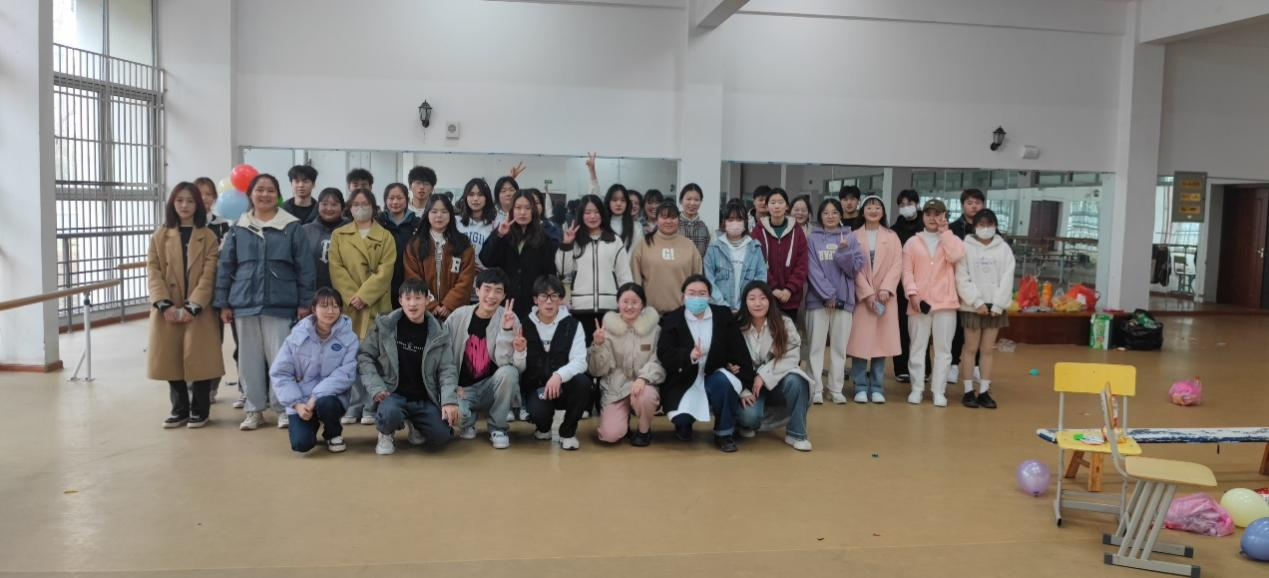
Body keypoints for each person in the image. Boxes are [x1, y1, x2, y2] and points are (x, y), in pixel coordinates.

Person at [215, 173, 315, 431]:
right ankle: (253, 409)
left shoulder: (291, 226)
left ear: (278, 195)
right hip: (244, 302)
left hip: (281, 303)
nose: (265, 195)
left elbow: (305, 267)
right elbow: (225, 266)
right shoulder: (239, 227)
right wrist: (223, 303)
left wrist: (305, 301)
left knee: (281, 360)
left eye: (270, 190)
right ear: (250, 194)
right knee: (248, 360)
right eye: (259, 190)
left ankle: (283, 408)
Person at [148, 182, 225, 429]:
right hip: (167, 308)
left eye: (190, 201)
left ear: (198, 205)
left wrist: (194, 305)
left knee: (200, 358)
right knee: (170, 359)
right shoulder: (160, 235)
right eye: (180, 200)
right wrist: (164, 305)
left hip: (199, 309)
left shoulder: (208, 236)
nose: (184, 205)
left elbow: (209, 274)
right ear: (172, 203)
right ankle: (179, 409)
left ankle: (200, 409)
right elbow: (153, 271)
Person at [358, 279, 460, 456]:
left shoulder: (439, 332)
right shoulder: (385, 326)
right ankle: (385, 433)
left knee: (442, 436)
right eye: (408, 298)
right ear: (400, 301)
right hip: (392, 394)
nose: (413, 304)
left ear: (427, 300)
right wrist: (376, 387)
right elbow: (365, 357)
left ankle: (416, 424)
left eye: (418, 298)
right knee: (390, 414)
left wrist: (449, 400)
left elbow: (447, 369)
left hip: (423, 397)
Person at [657, 275, 753, 452]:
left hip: (713, 376)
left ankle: (724, 433)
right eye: (691, 293)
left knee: (724, 382)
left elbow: (739, 351)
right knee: (681, 419)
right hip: (683, 381)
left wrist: (743, 382)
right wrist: (689, 356)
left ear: (709, 296)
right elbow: (665, 354)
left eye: (702, 293)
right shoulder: (672, 319)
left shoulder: (723, 316)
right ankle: (684, 424)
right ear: (683, 297)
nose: (697, 298)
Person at [328, 188, 397, 425]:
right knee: (351, 356)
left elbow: (386, 270)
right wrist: (352, 296)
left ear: (373, 207)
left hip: (377, 304)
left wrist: (365, 295)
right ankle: (354, 404)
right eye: (355, 204)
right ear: (349, 208)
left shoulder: (385, 236)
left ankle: (371, 405)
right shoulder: (339, 235)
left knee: (377, 357)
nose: (360, 208)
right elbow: (336, 269)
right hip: (351, 307)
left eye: (365, 203)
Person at [270, 288, 358, 454]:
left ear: (340, 309)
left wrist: (315, 397)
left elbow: (345, 374)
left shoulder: (349, 338)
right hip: (301, 400)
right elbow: (280, 373)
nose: (330, 311)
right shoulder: (296, 336)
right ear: (313, 309)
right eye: (324, 306)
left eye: (335, 306)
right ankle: (311, 424)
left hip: (331, 397)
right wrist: (297, 404)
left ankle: (333, 433)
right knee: (301, 444)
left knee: (327, 403)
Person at [444, 268, 524, 449]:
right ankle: (468, 419)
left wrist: (506, 330)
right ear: (477, 290)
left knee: (509, 372)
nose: (491, 296)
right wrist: (452, 387)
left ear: (504, 295)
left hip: (490, 388)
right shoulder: (458, 316)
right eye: (487, 289)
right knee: (456, 417)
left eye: (498, 291)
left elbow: (510, 366)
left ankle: (498, 427)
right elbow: (443, 356)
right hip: (462, 390)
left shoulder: (510, 318)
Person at [901, 199, 965, 407]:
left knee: (943, 350)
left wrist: (945, 233)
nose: (932, 218)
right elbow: (906, 272)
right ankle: (917, 388)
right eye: (928, 214)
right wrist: (912, 294)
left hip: (945, 303)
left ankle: (939, 390)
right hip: (918, 303)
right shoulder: (912, 243)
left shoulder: (952, 239)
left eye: (937, 214)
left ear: (944, 216)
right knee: (917, 348)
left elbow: (955, 256)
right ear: (922, 216)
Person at [735, 282, 813, 451]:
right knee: (748, 417)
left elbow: (792, 353)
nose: (758, 303)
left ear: (770, 301)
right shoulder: (737, 325)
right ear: (745, 302)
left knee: (797, 380)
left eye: (763, 298)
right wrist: (744, 388)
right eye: (752, 298)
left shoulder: (783, 323)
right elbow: (731, 359)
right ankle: (747, 424)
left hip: (777, 379)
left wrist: (763, 375)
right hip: (748, 384)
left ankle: (796, 433)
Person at [521, 275, 592, 451]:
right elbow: (518, 366)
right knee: (539, 411)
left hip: (564, 387)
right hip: (537, 388)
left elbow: (580, 361)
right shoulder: (524, 325)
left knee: (583, 383)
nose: (549, 301)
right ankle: (543, 428)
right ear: (535, 299)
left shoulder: (573, 325)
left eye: (554, 296)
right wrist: (519, 352)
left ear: (561, 299)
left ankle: (567, 432)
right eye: (543, 296)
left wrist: (559, 376)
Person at [588, 283, 664, 446]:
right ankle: (622, 421)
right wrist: (598, 346)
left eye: (635, 302)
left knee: (646, 396)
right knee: (609, 435)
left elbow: (658, 361)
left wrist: (643, 378)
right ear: (618, 303)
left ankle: (644, 431)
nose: (629, 307)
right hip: (616, 388)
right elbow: (596, 371)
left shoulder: (655, 329)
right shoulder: (606, 329)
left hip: (643, 386)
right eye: (625, 301)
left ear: (643, 304)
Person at [805, 198, 865, 404]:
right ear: (820, 216)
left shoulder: (851, 237)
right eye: (826, 213)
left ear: (841, 215)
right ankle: (815, 388)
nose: (830, 216)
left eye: (834, 212)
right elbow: (811, 269)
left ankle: (835, 388)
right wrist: (827, 294)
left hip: (844, 301)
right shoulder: (812, 239)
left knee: (839, 348)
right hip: (817, 301)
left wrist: (844, 253)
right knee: (816, 347)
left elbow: (854, 270)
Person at [955, 209, 1014, 409]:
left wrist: (998, 305)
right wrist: (976, 302)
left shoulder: (1004, 249)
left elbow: (1007, 278)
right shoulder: (965, 246)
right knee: (970, 349)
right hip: (973, 306)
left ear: (995, 226)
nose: (985, 228)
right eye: (981, 224)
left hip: (995, 307)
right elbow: (961, 277)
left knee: (988, 350)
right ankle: (968, 391)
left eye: (989, 224)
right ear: (974, 226)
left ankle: (984, 391)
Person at [846, 196, 902, 404]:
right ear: (863, 211)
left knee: (881, 344)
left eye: (877, 207)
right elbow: (852, 267)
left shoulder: (892, 237)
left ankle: (877, 387)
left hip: (885, 298)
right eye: (869, 207)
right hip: (863, 299)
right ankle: (860, 386)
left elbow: (897, 265)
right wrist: (867, 293)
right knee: (860, 345)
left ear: (883, 212)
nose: (873, 210)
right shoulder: (853, 236)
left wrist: (887, 288)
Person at [557, 194, 632, 342]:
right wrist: (567, 244)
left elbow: (624, 275)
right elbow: (563, 271)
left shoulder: (614, 240)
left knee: (608, 350)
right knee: (582, 350)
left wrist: (627, 303)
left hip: (610, 308)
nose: (592, 216)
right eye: (588, 212)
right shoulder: (575, 240)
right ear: (581, 215)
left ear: (603, 214)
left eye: (597, 212)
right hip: (580, 308)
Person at [480, 190, 558, 318]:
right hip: (504, 302)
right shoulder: (502, 233)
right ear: (511, 210)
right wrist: (499, 235)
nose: (522, 212)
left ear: (534, 211)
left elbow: (549, 274)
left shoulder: (543, 239)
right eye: (518, 208)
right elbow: (486, 260)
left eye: (527, 208)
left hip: (533, 305)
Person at [404, 195, 476, 320]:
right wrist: (431, 304)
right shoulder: (415, 245)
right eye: (434, 211)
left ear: (451, 215)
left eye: (444, 212)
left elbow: (466, 279)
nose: (439, 216)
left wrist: (448, 304)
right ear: (427, 214)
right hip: (423, 312)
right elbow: (412, 276)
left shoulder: (463, 244)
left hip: (454, 313)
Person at [194, 176, 231, 404]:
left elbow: (224, 260)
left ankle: (210, 388)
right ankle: (191, 387)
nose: (204, 198)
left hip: (215, 292)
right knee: (190, 343)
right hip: (189, 293)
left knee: (213, 342)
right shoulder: (183, 225)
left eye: (209, 194)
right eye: (200, 193)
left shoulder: (223, 225)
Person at [631, 203, 704, 314]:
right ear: (657, 219)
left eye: (673, 217)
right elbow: (636, 280)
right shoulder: (643, 244)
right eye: (664, 217)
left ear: (679, 220)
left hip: (683, 313)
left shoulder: (689, 245)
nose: (669, 221)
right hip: (649, 314)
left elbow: (698, 280)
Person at [948, 188, 987, 385]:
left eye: (977, 203)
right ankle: (953, 365)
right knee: (956, 329)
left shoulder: (990, 228)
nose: (974, 206)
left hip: (982, 287)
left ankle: (977, 366)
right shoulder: (953, 228)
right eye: (970, 202)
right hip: (957, 284)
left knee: (979, 328)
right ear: (963, 205)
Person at [752, 188, 809, 320]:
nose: (777, 206)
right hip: (765, 296)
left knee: (789, 332)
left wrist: (789, 289)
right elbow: (756, 262)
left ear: (787, 206)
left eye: (780, 202)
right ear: (767, 207)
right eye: (772, 202)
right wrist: (772, 288)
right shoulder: (758, 231)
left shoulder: (797, 231)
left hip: (791, 297)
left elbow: (802, 264)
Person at [703, 200, 767, 313]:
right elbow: (709, 280)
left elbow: (761, 278)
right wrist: (723, 305)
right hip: (719, 309)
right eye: (730, 219)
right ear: (724, 222)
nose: (735, 223)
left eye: (739, 219)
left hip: (747, 309)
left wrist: (746, 304)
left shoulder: (755, 248)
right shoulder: (714, 248)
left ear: (745, 222)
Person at [890, 189, 924, 384]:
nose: (906, 207)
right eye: (902, 205)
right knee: (901, 327)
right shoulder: (894, 230)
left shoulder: (927, 227)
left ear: (917, 204)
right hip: (900, 286)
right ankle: (901, 367)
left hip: (924, 286)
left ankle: (923, 368)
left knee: (922, 330)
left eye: (909, 203)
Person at [378, 182, 421, 309]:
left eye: (399, 198)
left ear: (406, 199)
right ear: (385, 200)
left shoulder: (417, 224)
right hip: (384, 283)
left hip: (410, 280)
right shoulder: (378, 223)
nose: (395, 202)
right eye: (391, 198)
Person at [301, 188, 348, 292]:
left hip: (345, 292)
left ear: (342, 207)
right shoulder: (304, 231)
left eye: (334, 204)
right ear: (318, 206)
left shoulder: (351, 230)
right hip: (313, 291)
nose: (329, 208)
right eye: (324, 204)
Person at [456, 177, 498, 272]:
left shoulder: (495, 225)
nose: (475, 199)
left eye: (480, 195)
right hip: (459, 276)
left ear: (487, 197)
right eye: (471, 194)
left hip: (485, 277)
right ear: (465, 197)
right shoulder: (456, 222)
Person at [677, 184, 711, 256]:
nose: (692, 203)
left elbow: (707, 255)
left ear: (701, 201)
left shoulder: (703, 227)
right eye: (688, 199)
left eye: (696, 200)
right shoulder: (674, 224)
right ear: (681, 200)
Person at [194, 177, 231, 243]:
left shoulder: (222, 224)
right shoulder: (186, 222)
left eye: (208, 194)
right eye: (199, 194)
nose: (203, 198)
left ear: (214, 197)